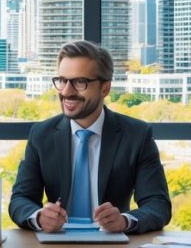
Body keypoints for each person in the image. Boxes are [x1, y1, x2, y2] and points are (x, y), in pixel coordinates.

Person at [9, 40, 171, 234]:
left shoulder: (136, 135)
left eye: (80, 82)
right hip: (55, 243)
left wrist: (125, 221)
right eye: (62, 81)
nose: (67, 92)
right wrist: (39, 217)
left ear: (105, 88)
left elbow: (158, 204)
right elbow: (20, 199)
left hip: (113, 246)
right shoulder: (41, 134)